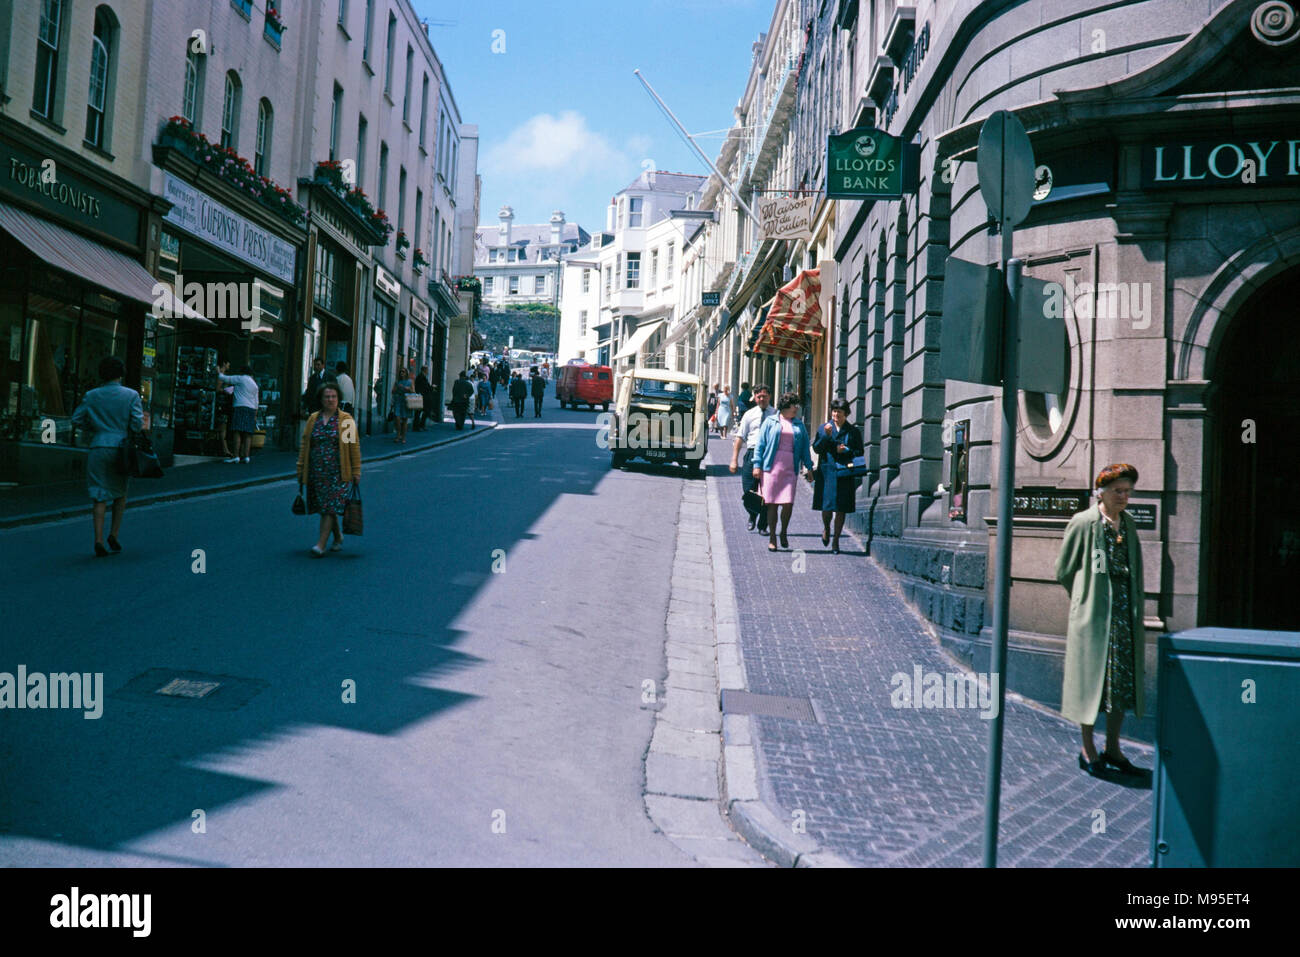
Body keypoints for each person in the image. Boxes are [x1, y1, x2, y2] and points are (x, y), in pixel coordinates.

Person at [1055, 463, 1147, 779]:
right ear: (1102, 492)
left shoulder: (1130, 524)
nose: (1124, 497)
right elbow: (1064, 570)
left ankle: (1113, 747)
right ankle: (1088, 748)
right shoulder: (1084, 523)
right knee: (1089, 685)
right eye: (1118, 491)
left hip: (1124, 618)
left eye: (1127, 491)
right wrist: (1084, 600)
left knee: (1119, 686)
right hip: (1094, 618)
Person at [71, 356, 144, 558]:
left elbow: (76, 419)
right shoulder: (131, 395)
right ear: (121, 374)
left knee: (98, 494)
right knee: (120, 492)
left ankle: (98, 539)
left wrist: (93, 427)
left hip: (98, 445)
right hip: (121, 448)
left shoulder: (91, 395)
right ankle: (114, 534)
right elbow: (137, 424)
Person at [297, 381, 361, 557]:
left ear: (338, 398)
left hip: (338, 472)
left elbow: (352, 446)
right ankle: (338, 536)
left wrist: (356, 471)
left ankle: (320, 544)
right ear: (321, 399)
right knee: (325, 506)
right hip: (317, 471)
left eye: (333, 396)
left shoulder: (346, 420)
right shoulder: (313, 419)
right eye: (327, 396)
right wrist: (300, 467)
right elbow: (305, 445)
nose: (330, 399)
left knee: (329, 507)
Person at [753, 391, 814, 552]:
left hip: (790, 468)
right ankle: (772, 536)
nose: (797, 408)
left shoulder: (799, 424)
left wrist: (809, 466)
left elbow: (804, 449)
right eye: (795, 405)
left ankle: (784, 531)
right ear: (786, 406)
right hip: (771, 468)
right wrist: (757, 465)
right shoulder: (770, 421)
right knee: (771, 504)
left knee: (788, 503)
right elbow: (760, 445)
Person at [812, 398, 865, 554]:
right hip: (827, 471)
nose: (835, 415)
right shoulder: (824, 428)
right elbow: (816, 448)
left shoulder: (853, 431)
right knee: (827, 506)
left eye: (839, 412)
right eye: (834, 411)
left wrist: (846, 450)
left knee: (841, 508)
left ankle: (836, 541)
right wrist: (825, 437)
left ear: (846, 414)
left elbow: (859, 452)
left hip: (844, 472)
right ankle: (827, 528)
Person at [729, 384, 776, 533]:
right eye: (759, 396)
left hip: (769, 456)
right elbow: (740, 437)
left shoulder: (776, 414)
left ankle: (763, 525)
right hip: (751, 453)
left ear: (769, 396)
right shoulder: (749, 414)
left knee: (767, 492)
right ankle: (752, 514)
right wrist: (734, 459)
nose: (762, 399)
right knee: (748, 490)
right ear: (755, 397)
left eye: (765, 396)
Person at [218, 363, 260, 463]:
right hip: (251, 409)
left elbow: (224, 378)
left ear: (242, 372)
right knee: (247, 434)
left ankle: (236, 456)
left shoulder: (240, 379)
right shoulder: (254, 385)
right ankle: (246, 456)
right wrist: (255, 415)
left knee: (237, 432)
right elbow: (256, 402)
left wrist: (219, 370)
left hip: (240, 407)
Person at [214, 368, 235, 459]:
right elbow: (218, 389)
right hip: (221, 407)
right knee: (222, 428)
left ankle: (224, 448)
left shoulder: (223, 377)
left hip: (223, 407)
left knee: (222, 428)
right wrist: (225, 390)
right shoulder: (221, 377)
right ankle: (224, 448)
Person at [390, 365, 413, 443]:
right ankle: (398, 435)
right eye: (401, 372)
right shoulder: (397, 381)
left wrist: (406, 388)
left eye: (403, 372)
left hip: (406, 401)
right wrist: (396, 388)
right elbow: (392, 391)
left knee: (405, 419)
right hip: (398, 400)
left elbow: (413, 391)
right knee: (397, 418)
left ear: (406, 373)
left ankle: (403, 437)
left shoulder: (410, 382)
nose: (402, 373)